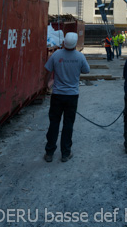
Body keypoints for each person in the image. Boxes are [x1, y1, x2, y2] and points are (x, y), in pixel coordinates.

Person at [44, 32, 90, 162]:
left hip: (57, 95)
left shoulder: (56, 55)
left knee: (54, 123)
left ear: (64, 42)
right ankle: (65, 153)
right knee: (68, 124)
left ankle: (49, 153)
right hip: (72, 96)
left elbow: (48, 71)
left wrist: (47, 84)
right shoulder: (80, 57)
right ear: (75, 44)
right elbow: (86, 70)